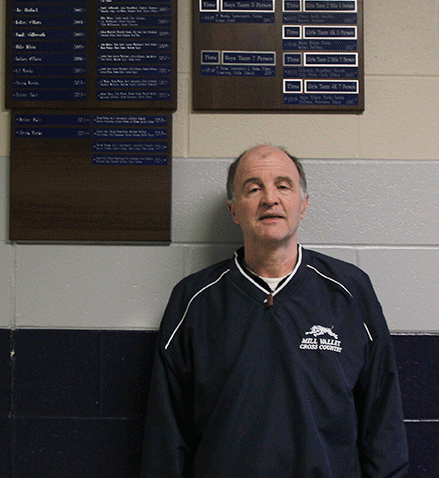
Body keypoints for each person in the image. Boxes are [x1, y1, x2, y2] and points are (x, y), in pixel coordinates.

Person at [140, 144, 408, 478]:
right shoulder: (194, 300)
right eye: (253, 188)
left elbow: (383, 423)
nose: (270, 198)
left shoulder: (350, 291)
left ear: (303, 204)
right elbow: (166, 437)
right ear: (234, 209)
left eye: (283, 186)